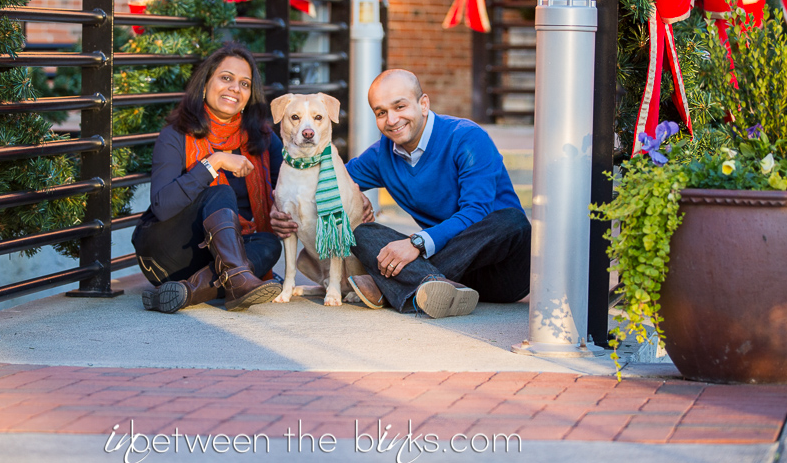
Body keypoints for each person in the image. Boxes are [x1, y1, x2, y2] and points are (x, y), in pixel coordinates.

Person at [271, 69, 530, 319]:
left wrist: (416, 244)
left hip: (503, 272)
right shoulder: (382, 155)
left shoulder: (467, 138)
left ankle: (391, 287)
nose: (392, 119)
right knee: (361, 232)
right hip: (450, 271)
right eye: (381, 112)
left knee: (511, 220)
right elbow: (335, 179)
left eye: (400, 106)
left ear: (423, 104)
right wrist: (280, 206)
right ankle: (429, 285)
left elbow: (476, 212)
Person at [132, 42, 284, 314]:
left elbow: (289, 186)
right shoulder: (176, 134)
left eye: (244, 84)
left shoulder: (263, 139)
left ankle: (188, 292)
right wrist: (214, 162)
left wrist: (284, 214)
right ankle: (239, 278)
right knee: (220, 193)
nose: (235, 88)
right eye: (226, 78)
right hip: (167, 251)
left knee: (269, 244)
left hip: (214, 260)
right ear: (205, 85)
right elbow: (162, 206)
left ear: (250, 95)